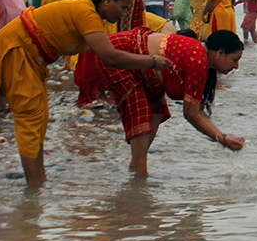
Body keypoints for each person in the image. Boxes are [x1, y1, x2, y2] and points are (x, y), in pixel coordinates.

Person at [0, 0, 169, 187]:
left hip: (32, 58)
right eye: (123, 7)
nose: (124, 13)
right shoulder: (86, 13)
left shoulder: (91, 13)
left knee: (39, 118)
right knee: (30, 118)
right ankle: (33, 188)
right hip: (17, 50)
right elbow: (110, 56)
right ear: (108, 0)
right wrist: (152, 62)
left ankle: (39, 180)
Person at [75, 28, 246, 178]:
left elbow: (198, 111)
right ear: (220, 53)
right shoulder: (199, 60)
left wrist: (222, 137)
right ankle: (139, 174)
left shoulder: (202, 59)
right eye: (234, 59)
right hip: (120, 54)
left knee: (157, 110)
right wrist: (222, 140)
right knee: (141, 109)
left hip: (139, 63)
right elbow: (191, 114)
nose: (237, 66)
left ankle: (136, 167)